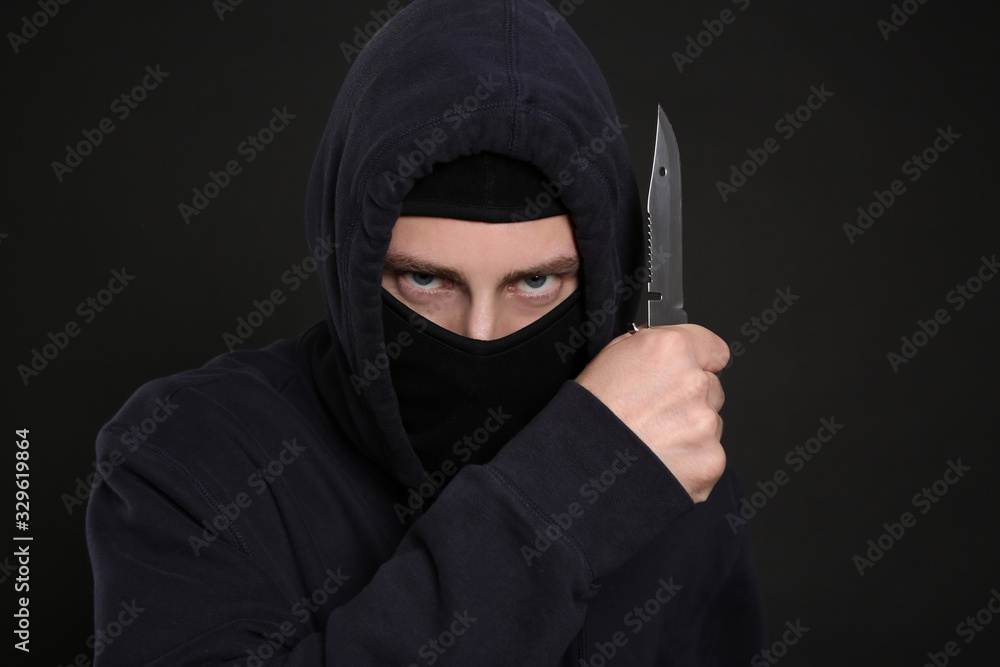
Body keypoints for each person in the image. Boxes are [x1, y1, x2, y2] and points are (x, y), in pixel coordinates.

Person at [87, 0, 767, 664]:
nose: (479, 334)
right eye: (426, 280)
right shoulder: (186, 455)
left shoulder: (671, 452)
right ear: (351, 265)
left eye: (536, 283)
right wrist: (565, 496)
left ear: (599, 278)